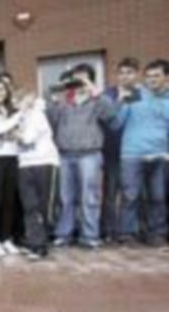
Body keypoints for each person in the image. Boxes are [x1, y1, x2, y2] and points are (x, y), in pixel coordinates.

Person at [48, 63, 117, 249]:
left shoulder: (98, 100)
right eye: (76, 78)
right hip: (65, 154)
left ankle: (90, 236)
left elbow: (111, 115)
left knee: (90, 197)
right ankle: (64, 234)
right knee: (65, 198)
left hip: (90, 155)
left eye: (83, 78)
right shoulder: (64, 101)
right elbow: (51, 122)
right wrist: (55, 101)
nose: (78, 82)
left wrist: (95, 92)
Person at [113, 59, 169, 246]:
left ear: (166, 77)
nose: (151, 80)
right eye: (148, 76)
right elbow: (116, 124)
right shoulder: (135, 94)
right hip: (132, 154)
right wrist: (120, 104)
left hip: (160, 154)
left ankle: (157, 234)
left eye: (156, 76)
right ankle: (127, 234)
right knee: (130, 195)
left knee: (158, 197)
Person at [16, 92, 60, 260]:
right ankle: (34, 241)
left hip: (45, 162)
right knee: (29, 206)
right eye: (17, 100)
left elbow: (28, 138)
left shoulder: (38, 114)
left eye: (22, 99)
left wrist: (13, 134)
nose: (20, 103)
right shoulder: (18, 117)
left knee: (44, 206)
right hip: (25, 163)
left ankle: (41, 243)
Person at [101, 58, 140, 244]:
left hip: (136, 151)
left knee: (132, 193)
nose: (125, 76)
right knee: (110, 194)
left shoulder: (142, 95)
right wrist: (119, 99)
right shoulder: (108, 94)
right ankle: (109, 231)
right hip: (112, 152)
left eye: (130, 72)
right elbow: (106, 118)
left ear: (137, 74)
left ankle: (130, 231)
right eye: (122, 73)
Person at [0, 78, 24, 256]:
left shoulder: (12, 110)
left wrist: (13, 122)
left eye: (2, 90)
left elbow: (19, 133)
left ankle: (6, 238)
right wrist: (15, 119)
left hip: (12, 156)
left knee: (9, 201)